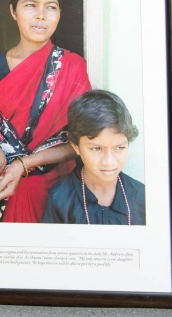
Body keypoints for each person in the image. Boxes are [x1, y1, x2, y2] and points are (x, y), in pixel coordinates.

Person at [0, 0, 92, 223]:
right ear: (13, 11)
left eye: (50, 7)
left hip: (56, 186)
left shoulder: (73, 66)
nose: (41, 15)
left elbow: (80, 140)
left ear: (59, 14)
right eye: (30, 5)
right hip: (1, 174)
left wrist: (24, 163)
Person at [42, 90, 145, 225]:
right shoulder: (61, 198)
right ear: (76, 146)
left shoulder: (142, 196)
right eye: (97, 149)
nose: (109, 162)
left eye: (119, 148)